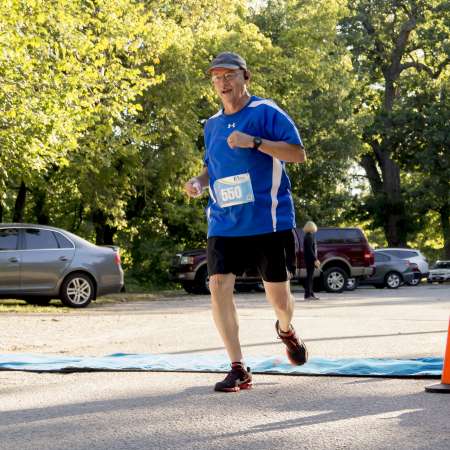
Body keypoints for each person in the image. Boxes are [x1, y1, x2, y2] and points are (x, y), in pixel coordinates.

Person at [184, 52, 308, 393]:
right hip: (224, 222)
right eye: (216, 78)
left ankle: (285, 330)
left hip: (267, 221)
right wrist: (198, 182)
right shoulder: (211, 125)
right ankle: (238, 367)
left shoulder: (266, 112)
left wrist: (254, 142)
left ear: (245, 77)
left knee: (280, 301)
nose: (222, 83)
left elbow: (298, 153)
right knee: (218, 286)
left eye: (229, 76)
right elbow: (212, 168)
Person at [303, 221, 321, 300]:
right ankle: (308, 295)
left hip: (308, 259)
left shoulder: (307, 236)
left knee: (310, 277)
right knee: (310, 277)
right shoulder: (310, 236)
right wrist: (315, 259)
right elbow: (310, 249)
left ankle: (311, 293)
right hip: (310, 259)